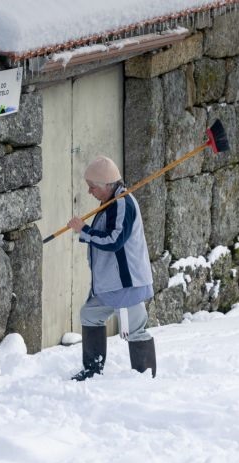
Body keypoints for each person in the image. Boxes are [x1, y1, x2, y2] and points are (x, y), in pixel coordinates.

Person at [67, 156, 157, 381]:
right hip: (110, 284)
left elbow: (114, 240)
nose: (90, 192)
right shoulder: (112, 202)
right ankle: (93, 370)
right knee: (90, 315)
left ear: (107, 185)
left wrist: (84, 230)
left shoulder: (123, 203)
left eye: (92, 187)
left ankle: (144, 378)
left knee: (135, 330)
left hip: (125, 284)